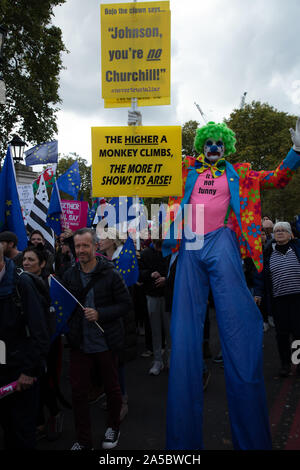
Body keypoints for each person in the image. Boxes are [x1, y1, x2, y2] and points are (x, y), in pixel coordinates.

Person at [163, 118, 300, 450]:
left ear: (226, 147)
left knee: (239, 327)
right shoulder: (183, 170)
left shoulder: (240, 173)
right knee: (184, 335)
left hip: (223, 240)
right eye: (208, 144)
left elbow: (278, 178)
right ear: (201, 147)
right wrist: (135, 131)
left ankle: (251, 440)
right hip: (191, 241)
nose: (213, 149)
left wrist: (296, 151)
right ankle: (183, 444)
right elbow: (147, 172)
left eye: (219, 144)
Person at [62, 227, 132, 450]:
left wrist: (100, 313)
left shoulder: (110, 273)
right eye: (78, 246)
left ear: (95, 246)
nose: (81, 250)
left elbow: (125, 305)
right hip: (79, 344)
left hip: (105, 343)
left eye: (85, 245)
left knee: (112, 389)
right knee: (79, 393)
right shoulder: (69, 274)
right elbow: (65, 307)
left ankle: (113, 427)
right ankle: (83, 440)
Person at [0, 243, 50, 449]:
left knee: (22, 432)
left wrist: (29, 371)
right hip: (2, 370)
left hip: (22, 373)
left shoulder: (22, 284)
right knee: (7, 430)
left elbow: (40, 333)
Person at [22, 246, 65, 441]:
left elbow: (54, 315)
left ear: (42, 264)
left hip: (48, 342)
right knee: (31, 384)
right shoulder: (20, 282)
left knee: (45, 383)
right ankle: (38, 423)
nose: (26, 263)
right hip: (26, 344)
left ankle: (54, 415)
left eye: (31, 260)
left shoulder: (51, 283)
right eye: (24, 259)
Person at [254, 222, 300, 377]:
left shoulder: (297, 248)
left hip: (297, 299)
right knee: (281, 334)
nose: (280, 233)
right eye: (276, 231)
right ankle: (285, 365)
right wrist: (258, 293)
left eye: (283, 230)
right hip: (278, 300)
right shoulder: (268, 252)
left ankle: (298, 363)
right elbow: (260, 276)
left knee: (298, 332)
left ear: (289, 234)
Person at [139, 232, 170, 375]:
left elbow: (176, 272)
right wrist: (150, 275)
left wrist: (166, 279)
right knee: (155, 329)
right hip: (151, 295)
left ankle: (170, 359)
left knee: (169, 330)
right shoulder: (146, 253)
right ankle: (158, 360)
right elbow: (139, 273)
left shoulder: (170, 252)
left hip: (167, 296)